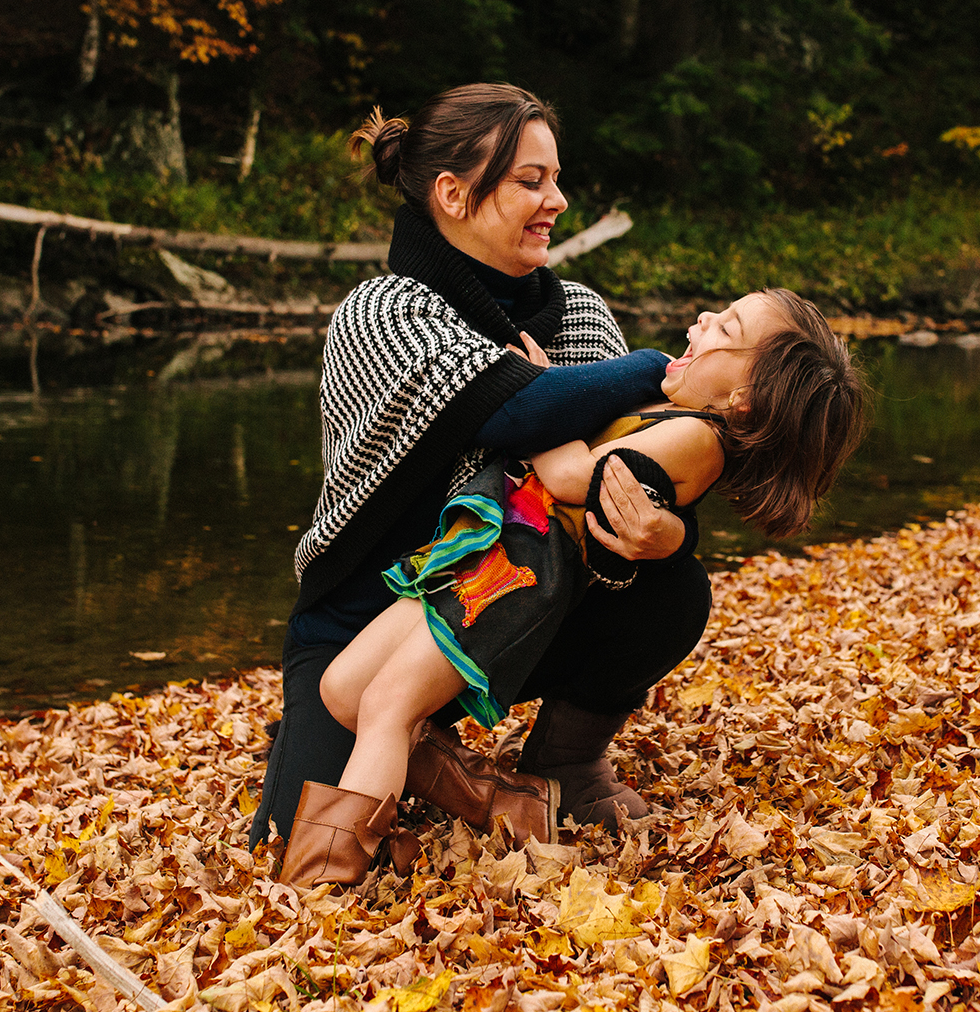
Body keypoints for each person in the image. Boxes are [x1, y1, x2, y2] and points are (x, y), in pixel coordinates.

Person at [248, 83, 708, 854]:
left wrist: (666, 530)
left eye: (556, 178)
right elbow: (509, 411)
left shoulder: (583, 317)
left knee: (674, 584)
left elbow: (644, 469)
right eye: (532, 180)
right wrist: (665, 369)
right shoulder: (382, 313)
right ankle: (397, 741)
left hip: (504, 606)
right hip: (359, 624)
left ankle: (568, 761)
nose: (557, 200)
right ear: (453, 193)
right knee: (289, 839)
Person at [279, 289, 868, 887]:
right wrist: (561, 386)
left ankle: (329, 875)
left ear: (742, 399)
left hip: (516, 579)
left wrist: (536, 391)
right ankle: (495, 798)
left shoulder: (700, 439)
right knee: (343, 687)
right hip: (479, 549)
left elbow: (568, 477)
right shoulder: (662, 406)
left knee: (386, 706)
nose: (704, 319)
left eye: (727, 326)